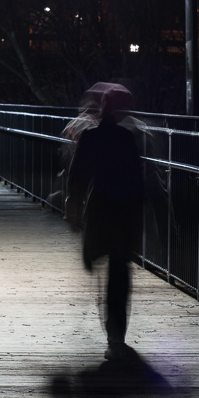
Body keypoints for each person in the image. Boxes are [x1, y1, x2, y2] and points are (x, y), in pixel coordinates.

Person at [65, 82, 144, 355]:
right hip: (125, 210)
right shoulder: (127, 138)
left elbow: (78, 176)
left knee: (104, 266)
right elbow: (138, 177)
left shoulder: (90, 137)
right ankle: (116, 337)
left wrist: (73, 205)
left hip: (100, 207)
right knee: (119, 273)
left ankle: (112, 332)